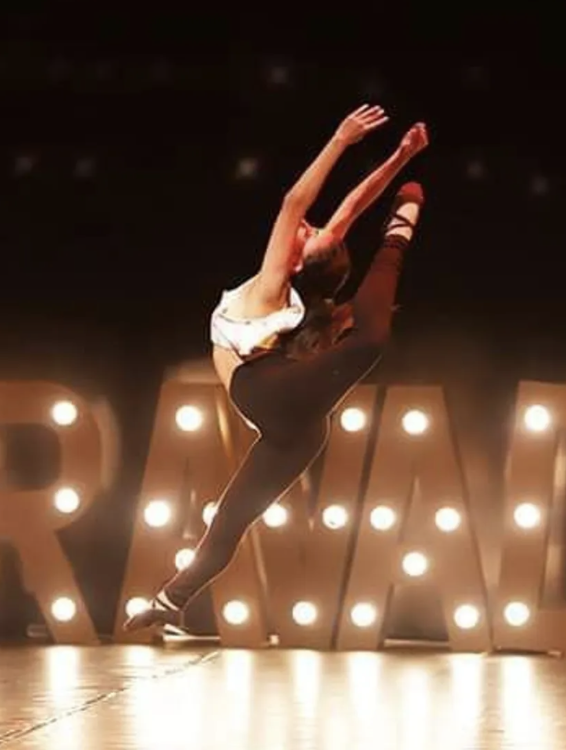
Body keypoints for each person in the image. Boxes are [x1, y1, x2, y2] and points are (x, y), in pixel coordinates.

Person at [124, 105, 429, 632]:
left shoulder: (271, 288)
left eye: (309, 235)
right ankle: (170, 602)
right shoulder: (289, 291)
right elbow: (352, 206)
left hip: (274, 398)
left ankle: (399, 234)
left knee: (369, 342)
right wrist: (400, 157)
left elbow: (294, 201)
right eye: (312, 228)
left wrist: (341, 139)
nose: (307, 226)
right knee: (231, 519)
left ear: (299, 259)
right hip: (295, 427)